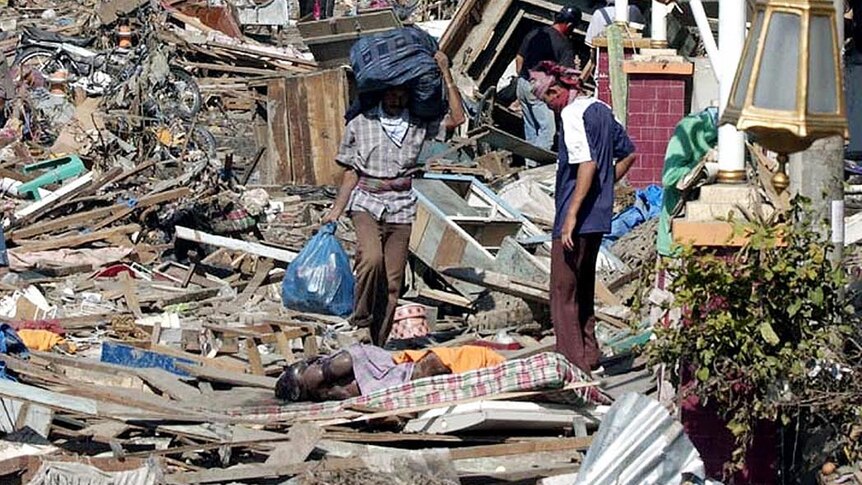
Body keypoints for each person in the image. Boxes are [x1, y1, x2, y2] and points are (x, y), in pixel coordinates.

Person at [322, 52, 465, 347]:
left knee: (393, 283)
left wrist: (446, 73)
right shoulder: (360, 123)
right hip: (366, 200)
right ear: (382, 92)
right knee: (371, 259)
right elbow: (350, 171)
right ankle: (360, 319)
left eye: (402, 94)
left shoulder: (418, 124)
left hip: (401, 205)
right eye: (392, 93)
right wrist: (337, 209)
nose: (396, 99)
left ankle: (376, 344)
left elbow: (458, 118)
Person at [529, 61, 636, 373]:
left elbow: (586, 164)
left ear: (557, 90)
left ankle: (573, 364)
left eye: (548, 98)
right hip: (599, 215)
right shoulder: (601, 108)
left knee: (562, 293)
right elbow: (629, 153)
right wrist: (604, 188)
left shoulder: (573, 114)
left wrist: (571, 215)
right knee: (584, 288)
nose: (548, 104)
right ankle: (590, 354)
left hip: (575, 215)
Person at [275, 344, 505, 402]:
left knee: (437, 362)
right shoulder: (322, 373)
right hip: (400, 378)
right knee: (436, 362)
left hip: (396, 377)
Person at [514, 5, 581, 167]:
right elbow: (568, 76)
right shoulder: (564, 44)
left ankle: (527, 164)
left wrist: (524, 79)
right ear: (570, 25)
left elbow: (519, 59)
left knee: (531, 128)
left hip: (523, 85)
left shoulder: (535, 33)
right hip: (540, 90)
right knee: (547, 131)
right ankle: (533, 167)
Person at [580, 0, 646, 82]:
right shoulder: (634, 11)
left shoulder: (599, 14)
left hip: (604, 73)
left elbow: (592, 52)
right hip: (631, 69)